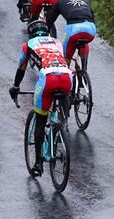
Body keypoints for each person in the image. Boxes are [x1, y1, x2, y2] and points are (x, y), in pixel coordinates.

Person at [10, 19, 73, 174]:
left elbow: (21, 68)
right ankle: (62, 127)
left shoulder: (29, 45)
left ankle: (38, 163)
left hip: (48, 78)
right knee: (63, 110)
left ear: (31, 33)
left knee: (40, 118)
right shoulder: (57, 42)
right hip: (66, 76)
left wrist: (15, 87)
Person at [46, 0, 96, 65]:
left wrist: (47, 29)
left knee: (65, 58)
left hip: (74, 29)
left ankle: (67, 71)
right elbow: (92, 18)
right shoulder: (86, 1)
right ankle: (83, 67)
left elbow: (50, 19)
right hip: (91, 29)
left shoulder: (60, 1)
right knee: (84, 40)